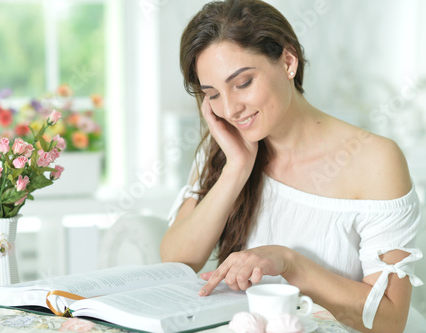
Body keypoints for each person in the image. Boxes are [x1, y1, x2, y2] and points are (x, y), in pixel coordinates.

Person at [159, 0, 425, 332]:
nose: (230, 109)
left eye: (242, 83)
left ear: (288, 61)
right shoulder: (228, 148)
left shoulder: (375, 161)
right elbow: (175, 264)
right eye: (212, 94)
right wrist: (237, 169)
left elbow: (390, 320)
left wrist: (288, 263)